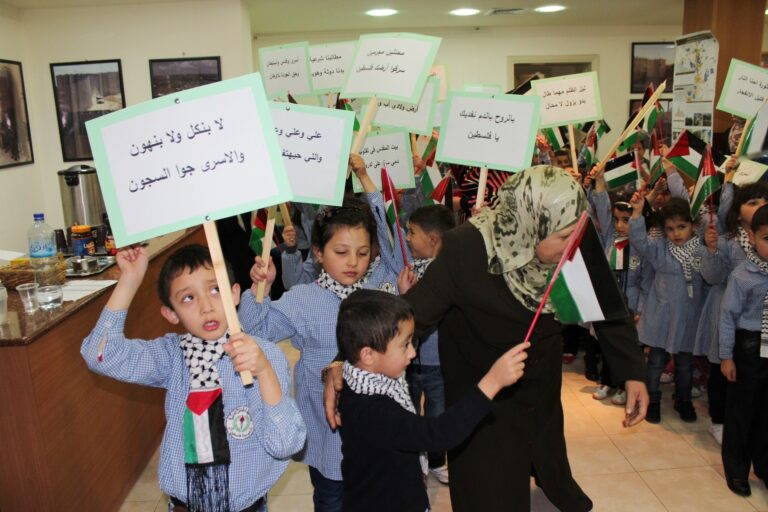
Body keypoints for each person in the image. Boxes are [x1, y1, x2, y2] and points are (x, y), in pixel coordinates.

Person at [325, 165, 648, 512]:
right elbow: (413, 313)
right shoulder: (467, 248)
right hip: (481, 388)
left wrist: (633, 372)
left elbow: (605, 303)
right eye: (562, 237)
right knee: (489, 486)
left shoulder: (568, 223)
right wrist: (345, 360)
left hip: (539, 377)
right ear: (528, 226)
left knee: (545, 449)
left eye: (575, 234)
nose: (573, 246)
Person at [80, 244, 306, 511]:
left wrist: (264, 372)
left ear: (235, 293)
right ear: (171, 314)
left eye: (215, 290)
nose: (206, 307)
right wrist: (129, 280)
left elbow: (285, 444)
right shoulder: (172, 356)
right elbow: (101, 355)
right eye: (188, 298)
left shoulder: (264, 355)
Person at [239, 154, 403, 512]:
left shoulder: (380, 286)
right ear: (317, 252)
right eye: (341, 252)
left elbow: (395, 246)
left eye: (362, 252)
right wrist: (258, 289)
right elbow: (255, 330)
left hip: (377, 425)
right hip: (328, 430)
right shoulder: (303, 299)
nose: (353, 262)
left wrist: (367, 181)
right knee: (331, 497)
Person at [337, 289, 529, 512]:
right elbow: (438, 434)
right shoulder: (373, 411)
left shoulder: (359, 380)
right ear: (368, 355)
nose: (412, 353)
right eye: (405, 345)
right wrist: (492, 383)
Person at [698, 182, 768, 444]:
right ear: (737, 214)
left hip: (758, 320)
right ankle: (718, 421)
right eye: (752, 202)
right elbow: (713, 277)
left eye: (763, 200)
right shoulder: (728, 241)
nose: (760, 206)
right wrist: (711, 251)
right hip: (727, 312)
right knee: (721, 368)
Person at [629, 195, 707, 423]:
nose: (676, 233)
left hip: (688, 317)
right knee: (655, 362)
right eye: (670, 229)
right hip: (661, 316)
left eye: (682, 227)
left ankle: (683, 399)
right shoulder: (660, 248)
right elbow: (640, 241)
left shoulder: (701, 250)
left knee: (685, 364)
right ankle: (651, 399)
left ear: (693, 225)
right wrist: (637, 213)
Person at [399, 204, 456, 483]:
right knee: (409, 412)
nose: (408, 238)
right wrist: (405, 295)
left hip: (437, 364)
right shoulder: (409, 271)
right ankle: (414, 460)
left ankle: (435, 459)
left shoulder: (448, 273)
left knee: (437, 415)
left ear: (432, 239)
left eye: (412, 232)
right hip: (408, 363)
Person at [719, 203, 768, 497]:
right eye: (767, 238)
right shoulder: (743, 275)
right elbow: (727, 317)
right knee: (742, 412)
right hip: (748, 349)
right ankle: (737, 470)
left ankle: (764, 466)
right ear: (752, 236)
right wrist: (726, 356)